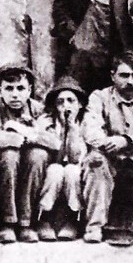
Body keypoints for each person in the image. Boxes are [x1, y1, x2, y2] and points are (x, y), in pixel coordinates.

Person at [80, 52, 133, 245]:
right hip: (109, 160)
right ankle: (95, 225)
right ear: (112, 75)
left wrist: (126, 142)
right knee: (95, 161)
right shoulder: (99, 97)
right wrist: (131, 151)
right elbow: (92, 134)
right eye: (124, 75)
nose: (130, 82)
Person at [0, 63, 51, 243]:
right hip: (6, 165)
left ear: (29, 90)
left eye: (20, 88)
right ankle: (7, 222)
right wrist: (32, 134)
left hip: (31, 164)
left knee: (39, 155)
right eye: (9, 88)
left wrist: (18, 129)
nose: (15, 94)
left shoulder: (38, 108)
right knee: (9, 155)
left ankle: (26, 223)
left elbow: (54, 141)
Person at [34, 77, 89, 241]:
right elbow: (54, 156)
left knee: (72, 170)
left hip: (77, 169)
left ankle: (74, 219)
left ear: (79, 104)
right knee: (56, 170)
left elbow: (74, 158)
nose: (66, 106)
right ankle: (43, 217)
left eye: (71, 101)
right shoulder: (46, 123)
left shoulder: (86, 123)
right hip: (52, 170)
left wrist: (72, 128)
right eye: (60, 102)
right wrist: (62, 129)